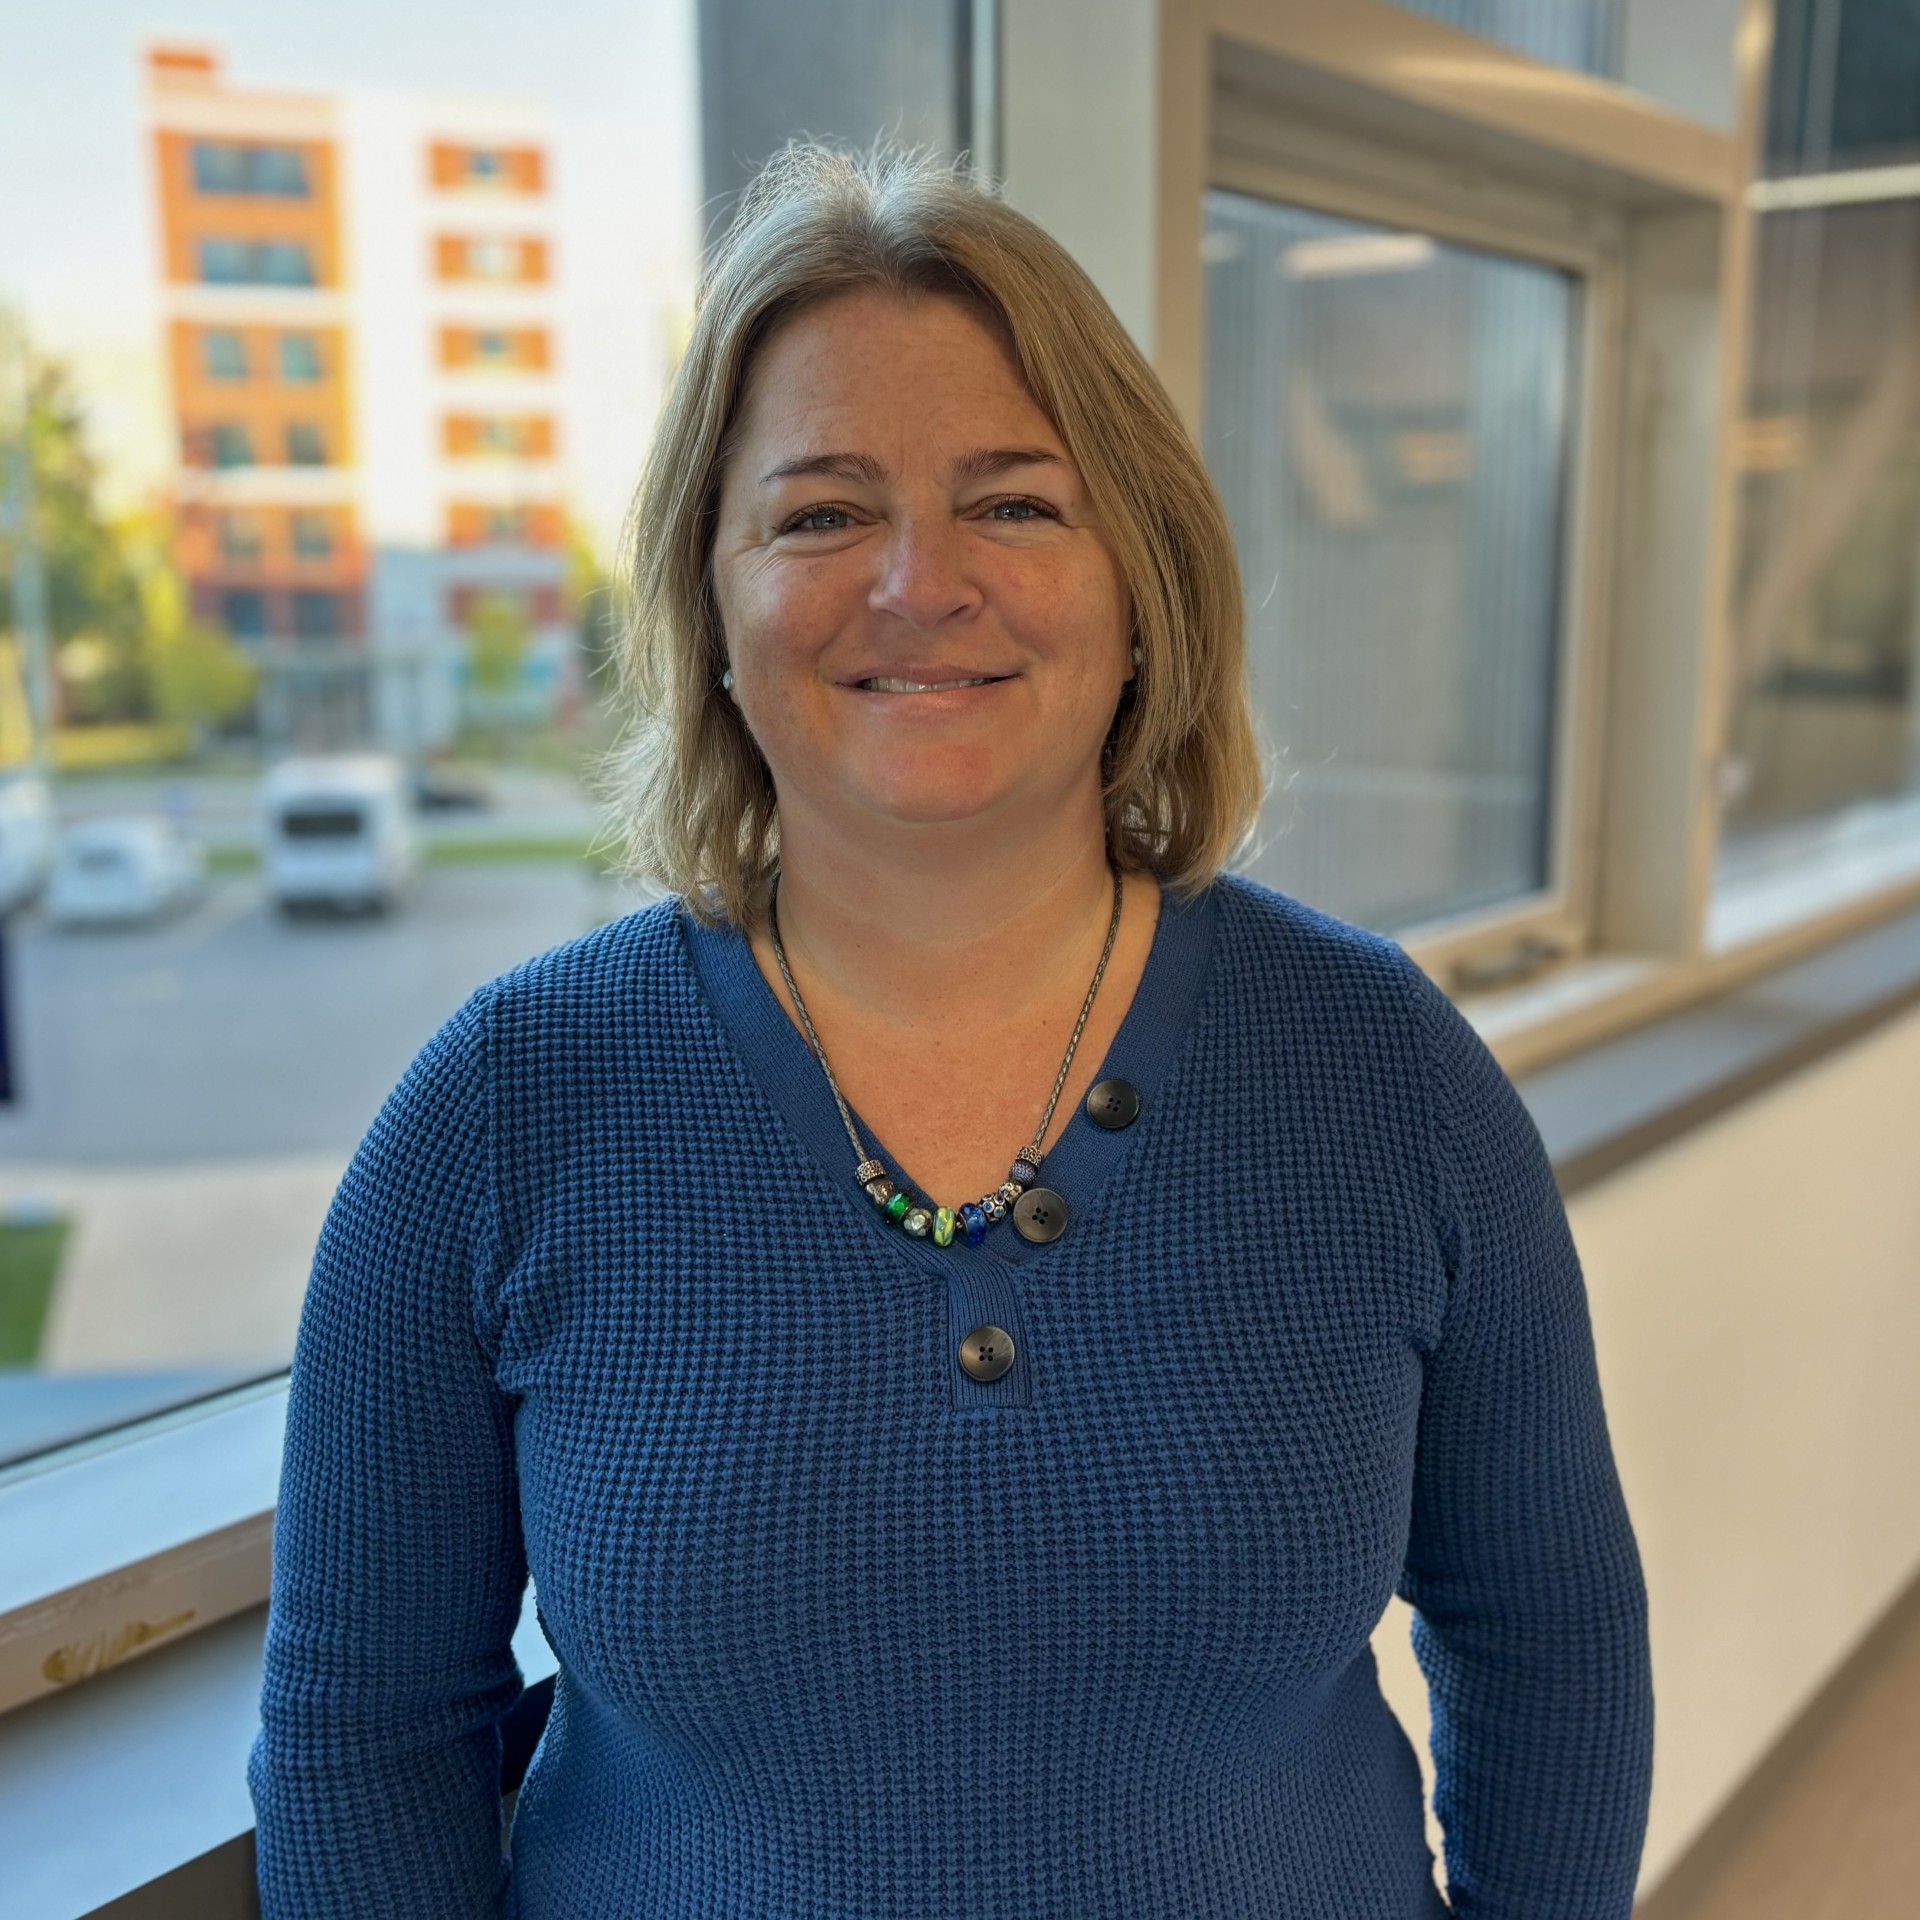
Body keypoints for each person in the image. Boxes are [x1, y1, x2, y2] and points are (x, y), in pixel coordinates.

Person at [249, 145, 1653, 1919]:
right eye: (821, 513)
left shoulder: (1385, 1075)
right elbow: (366, 1731)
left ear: (1140, 586)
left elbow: (1553, 1631)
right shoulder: (502, 1113)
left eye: (1015, 503)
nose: (918, 583)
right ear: (714, 605)